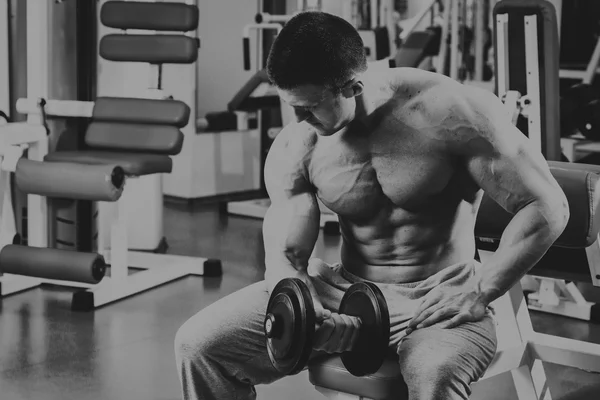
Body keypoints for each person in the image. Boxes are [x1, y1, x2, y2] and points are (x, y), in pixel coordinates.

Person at [174, 11, 569, 400]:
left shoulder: (454, 114)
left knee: (436, 373)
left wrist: (482, 288)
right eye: (292, 106)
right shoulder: (301, 143)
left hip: (438, 294)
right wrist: (299, 297)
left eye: (310, 107)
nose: (297, 119)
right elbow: (284, 255)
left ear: (352, 88)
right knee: (199, 345)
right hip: (342, 290)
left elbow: (547, 205)